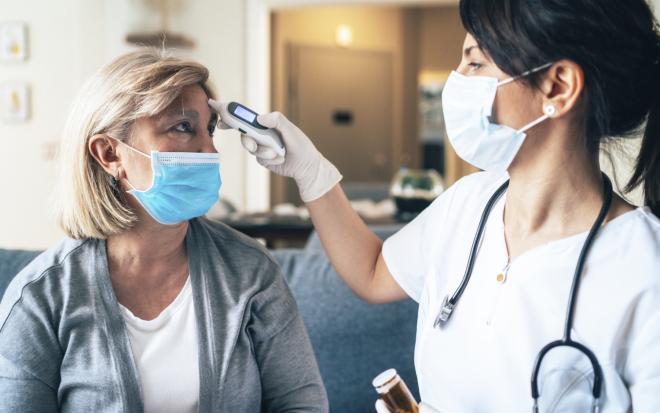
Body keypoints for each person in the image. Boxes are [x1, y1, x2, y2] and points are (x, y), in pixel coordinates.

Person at [233, 0, 660, 410]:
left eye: (475, 62)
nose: (456, 80)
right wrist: (312, 173)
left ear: (557, 86)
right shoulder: (468, 204)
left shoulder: (643, 266)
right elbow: (373, 272)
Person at [0, 49, 328, 412]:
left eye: (209, 129)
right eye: (183, 127)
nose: (209, 149)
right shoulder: (40, 298)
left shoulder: (251, 272)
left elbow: (301, 404)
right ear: (109, 153)